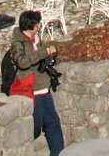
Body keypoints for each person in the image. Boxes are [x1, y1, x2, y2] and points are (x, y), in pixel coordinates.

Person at [6, 9, 65, 156]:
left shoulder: (37, 39)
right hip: (31, 91)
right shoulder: (18, 44)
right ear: (30, 26)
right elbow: (23, 62)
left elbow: (42, 54)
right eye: (37, 24)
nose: (39, 27)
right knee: (35, 127)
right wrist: (43, 53)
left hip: (44, 89)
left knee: (53, 123)